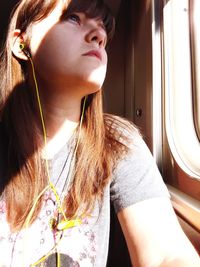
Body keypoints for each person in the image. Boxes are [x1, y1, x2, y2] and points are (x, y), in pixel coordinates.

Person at [0, 0, 199, 266]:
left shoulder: (118, 143)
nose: (100, 35)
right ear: (21, 44)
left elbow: (166, 254)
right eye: (73, 18)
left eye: (103, 26)